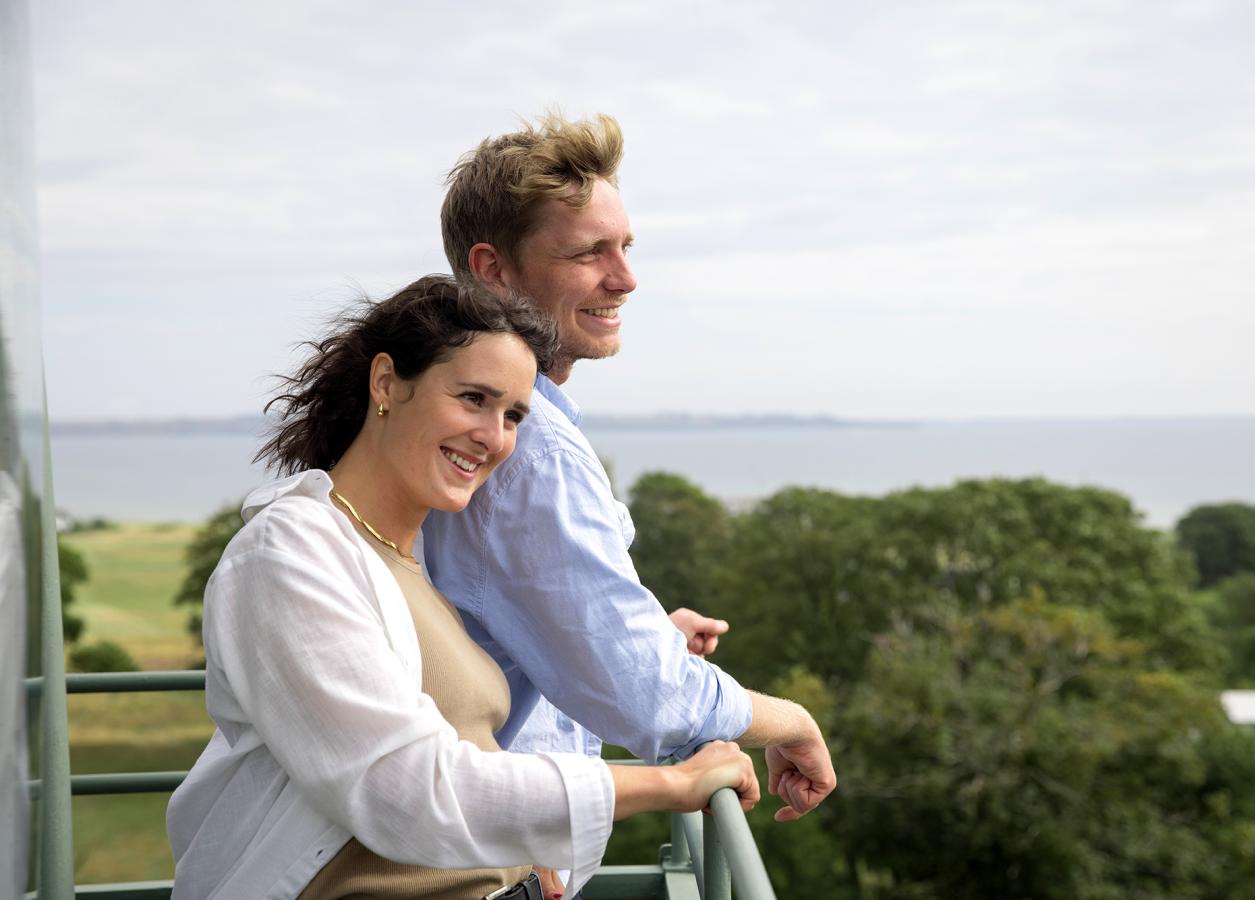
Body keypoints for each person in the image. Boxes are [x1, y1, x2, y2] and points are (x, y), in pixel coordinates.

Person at [165, 275, 759, 900]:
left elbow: (446, 727)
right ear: (387, 383)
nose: (495, 437)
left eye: (513, 416)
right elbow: (406, 789)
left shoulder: (407, 559)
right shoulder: (289, 553)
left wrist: (520, 852)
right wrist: (669, 785)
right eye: (473, 398)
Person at [423, 113, 836, 846]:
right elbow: (650, 699)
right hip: (479, 857)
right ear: (493, 270)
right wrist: (791, 719)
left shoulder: (461, 414)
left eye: (625, 247)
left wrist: (637, 632)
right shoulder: (533, 450)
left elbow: (496, 622)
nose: (625, 278)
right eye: (589, 253)